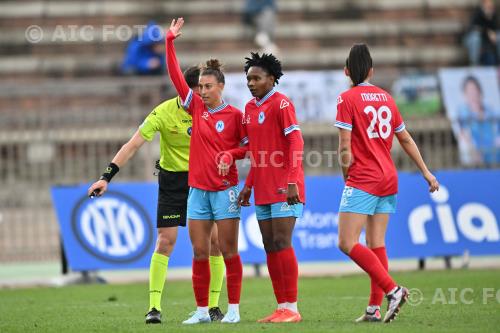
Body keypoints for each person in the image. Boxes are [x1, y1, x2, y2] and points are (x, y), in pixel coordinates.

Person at [86, 66, 226, 324]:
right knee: (165, 241)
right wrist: (106, 177)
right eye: (198, 91)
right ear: (185, 90)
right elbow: (133, 144)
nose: (202, 96)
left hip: (202, 181)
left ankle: (214, 306)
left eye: (205, 90)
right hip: (172, 182)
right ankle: (154, 307)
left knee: (215, 243)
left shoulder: (211, 111)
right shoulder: (162, 112)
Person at [334, 43, 439, 323]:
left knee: (346, 242)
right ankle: (373, 309)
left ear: (347, 71)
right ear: (371, 70)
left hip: (364, 177)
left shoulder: (346, 99)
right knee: (376, 242)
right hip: (388, 178)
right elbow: (405, 138)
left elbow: (345, 146)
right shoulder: (386, 98)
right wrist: (427, 173)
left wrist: (347, 175)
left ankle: (393, 290)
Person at [165, 18, 247, 324]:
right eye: (200, 86)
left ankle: (234, 309)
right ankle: (201, 311)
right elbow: (175, 76)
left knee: (228, 251)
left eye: (208, 86)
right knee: (199, 252)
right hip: (198, 191)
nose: (202, 91)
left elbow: (247, 147)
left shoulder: (236, 116)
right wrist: (169, 42)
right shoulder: (195, 107)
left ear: (221, 87)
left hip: (225, 191)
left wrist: (230, 153)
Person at [220, 52, 305, 323]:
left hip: (285, 186)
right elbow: (256, 152)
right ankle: (281, 306)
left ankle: (292, 308)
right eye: (248, 78)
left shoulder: (282, 105)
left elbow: (296, 143)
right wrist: (248, 186)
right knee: (269, 245)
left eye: (256, 78)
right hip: (263, 186)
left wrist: (292, 181)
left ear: (271, 79)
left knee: (282, 241)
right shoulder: (249, 109)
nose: (251, 83)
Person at [457, 75, 500, 165]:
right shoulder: (463, 113)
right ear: (465, 95)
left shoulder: (491, 111)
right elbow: (464, 133)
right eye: (469, 91)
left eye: (474, 90)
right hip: (477, 153)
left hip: (494, 149)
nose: (472, 94)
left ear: (479, 91)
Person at [464, 0, 500, 65]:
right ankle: (474, 64)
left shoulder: (494, 15)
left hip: (488, 43)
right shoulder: (477, 14)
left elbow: (496, 28)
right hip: (473, 40)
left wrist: (490, 18)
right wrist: (487, 32)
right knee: (475, 38)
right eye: (488, 5)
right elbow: (473, 28)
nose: (490, 7)